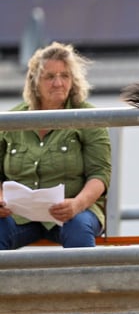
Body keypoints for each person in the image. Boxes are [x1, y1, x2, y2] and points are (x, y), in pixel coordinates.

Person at [0, 42, 111, 248]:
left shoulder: (89, 117)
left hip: (73, 212)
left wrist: (77, 204)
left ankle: (85, 281)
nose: (58, 83)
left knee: (79, 230)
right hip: (19, 216)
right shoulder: (11, 120)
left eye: (65, 76)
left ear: (73, 80)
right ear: (34, 82)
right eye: (50, 77)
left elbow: (100, 175)